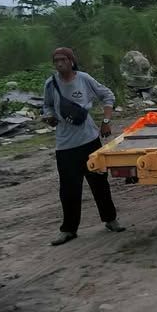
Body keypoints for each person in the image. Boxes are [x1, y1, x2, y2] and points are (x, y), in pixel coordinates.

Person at [42, 47, 125, 246]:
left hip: (89, 141)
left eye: (63, 59)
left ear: (72, 61)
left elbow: (108, 96)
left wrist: (106, 120)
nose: (59, 63)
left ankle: (110, 220)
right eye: (56, 60)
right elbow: (47, 106)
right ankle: (69, 230)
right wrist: (49, 117)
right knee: (69, 189)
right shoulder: (51, 84)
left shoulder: (84, 79)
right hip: (65, 146)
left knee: (99, 184)